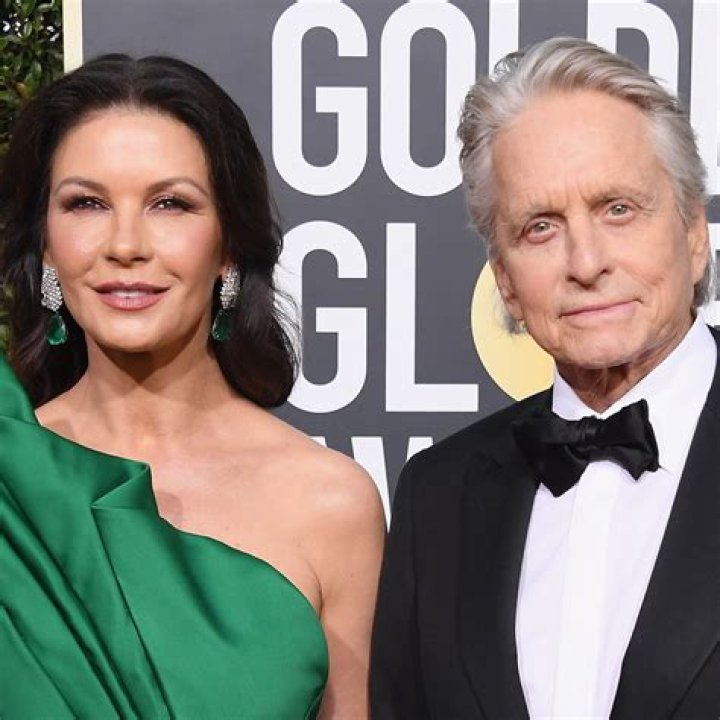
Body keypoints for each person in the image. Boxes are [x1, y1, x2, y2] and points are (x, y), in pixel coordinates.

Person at [0, 54, 385, 719]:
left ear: (229, 246)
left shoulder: (331, 504)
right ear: (46, 246)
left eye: (170, 204)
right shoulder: (11, 480)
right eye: (87, 203)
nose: (125, 244)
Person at [370, 36, 720, 719]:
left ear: (694, 233)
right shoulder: (437, 498)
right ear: (504, 279)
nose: (585, 262)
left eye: (619, 209)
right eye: (540, 228)